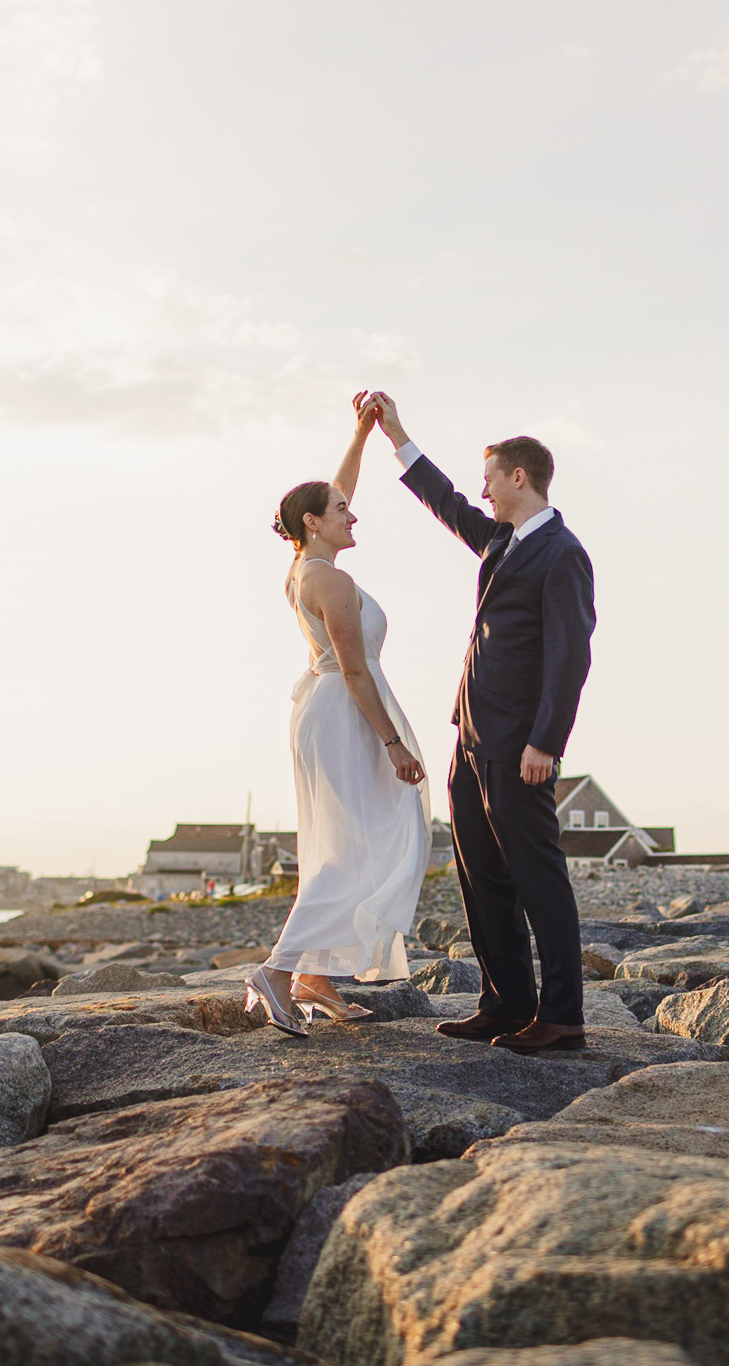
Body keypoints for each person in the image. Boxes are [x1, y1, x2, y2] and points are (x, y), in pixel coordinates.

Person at [366, 391, 596, 1053]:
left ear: (519, 477)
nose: (484, 489)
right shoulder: (499, 541)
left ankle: (561, 1017)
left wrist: (545, 742)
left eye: (491, 477)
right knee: (480, 874)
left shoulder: (561, 553)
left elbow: (569, 655)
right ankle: (504, 1003)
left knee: (537, 874)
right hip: (470, 734)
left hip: (520, 741)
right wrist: (397, 436)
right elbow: (446, 503)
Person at [248, 392, 432, 1037]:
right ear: (313, 523)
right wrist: (393, 745)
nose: (353, 515)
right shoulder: (331, 582)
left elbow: (335, 487)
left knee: (352, 841)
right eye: (341, 512)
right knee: (362, 847)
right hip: (349, 713)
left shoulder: (305, 564)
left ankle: (314, 978)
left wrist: (363, 434)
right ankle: (278, 970)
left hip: (332, 711)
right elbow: (355, 670)